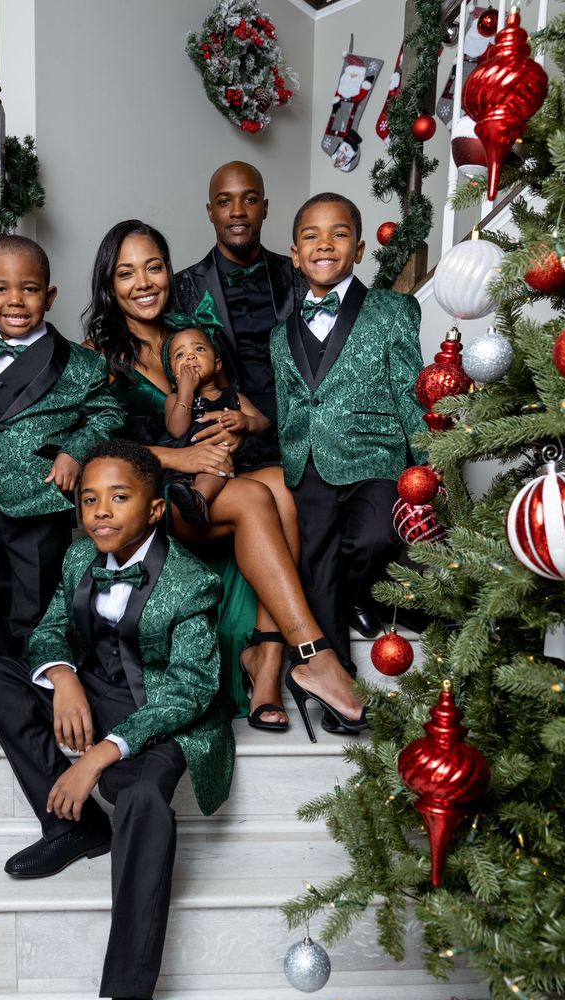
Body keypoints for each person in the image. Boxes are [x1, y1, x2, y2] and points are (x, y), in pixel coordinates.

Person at [0, 439, 235, 1000]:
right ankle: (79, 828)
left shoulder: (193, 580)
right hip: (95, 690)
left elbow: (191, 693)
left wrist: (102, 751)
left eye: (118, 497)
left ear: (152, 508)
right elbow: (51, 629)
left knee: (145, 797)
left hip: (161, 713)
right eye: (90, 499)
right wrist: (63, 679)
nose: (100, 511)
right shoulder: (82, 555)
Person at [82, 220, 365, 741]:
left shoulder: (193, 333)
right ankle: (313, 653)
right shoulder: (99, 355)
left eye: (154, 267)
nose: (144, 282)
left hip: (222, 474)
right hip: (163, 496)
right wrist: (180, 458)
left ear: (169, 271)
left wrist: (236, 429)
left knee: (284, 482)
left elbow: (236, 401)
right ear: (109, 283)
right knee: (260, 494)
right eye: (126, 273)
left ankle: (267, 658)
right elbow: (97, 449)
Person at [0, 235, 123, 670]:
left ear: (50, 295)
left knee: (37, 598)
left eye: (30, 288)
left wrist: (75, 452)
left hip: (41, 499)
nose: (16, 300)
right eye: (1, 289)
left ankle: (40, 681)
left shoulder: (80, 364)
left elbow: (109, 413)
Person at [270, 192, 426, 675]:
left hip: (376, 457)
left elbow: (410, 389)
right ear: (295, 254)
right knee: (316, 561)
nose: (324, 245)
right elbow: (289, 403)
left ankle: (361, 594)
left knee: (376, 538)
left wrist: (425, 460)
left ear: (359, 250)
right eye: (310, 236)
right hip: (311, 462)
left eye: (339, 234)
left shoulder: (393, 310)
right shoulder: (281, 335)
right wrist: (289, 456)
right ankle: (336, 677)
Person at [173, 161, 302, 432]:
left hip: (298, 420)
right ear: (210, 212)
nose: (237, 212)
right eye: (224, 201)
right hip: (224, 425)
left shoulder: (300, 276)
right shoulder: (184, 287)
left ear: (265, 208)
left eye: (250, 199)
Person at [163, 320, 274, 526]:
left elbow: (264, 423)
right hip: (199, 463)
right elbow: (177, 430)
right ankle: (197, 498)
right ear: (173, 375)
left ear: (217, 364)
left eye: (199, 348)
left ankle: (199, 498)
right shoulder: (175, 400)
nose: (190, 356)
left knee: (222, 461)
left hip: (238, 461)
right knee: (211, 465)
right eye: (180, 355)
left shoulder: (234, 397)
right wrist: (185, 390)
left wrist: (246, 421)